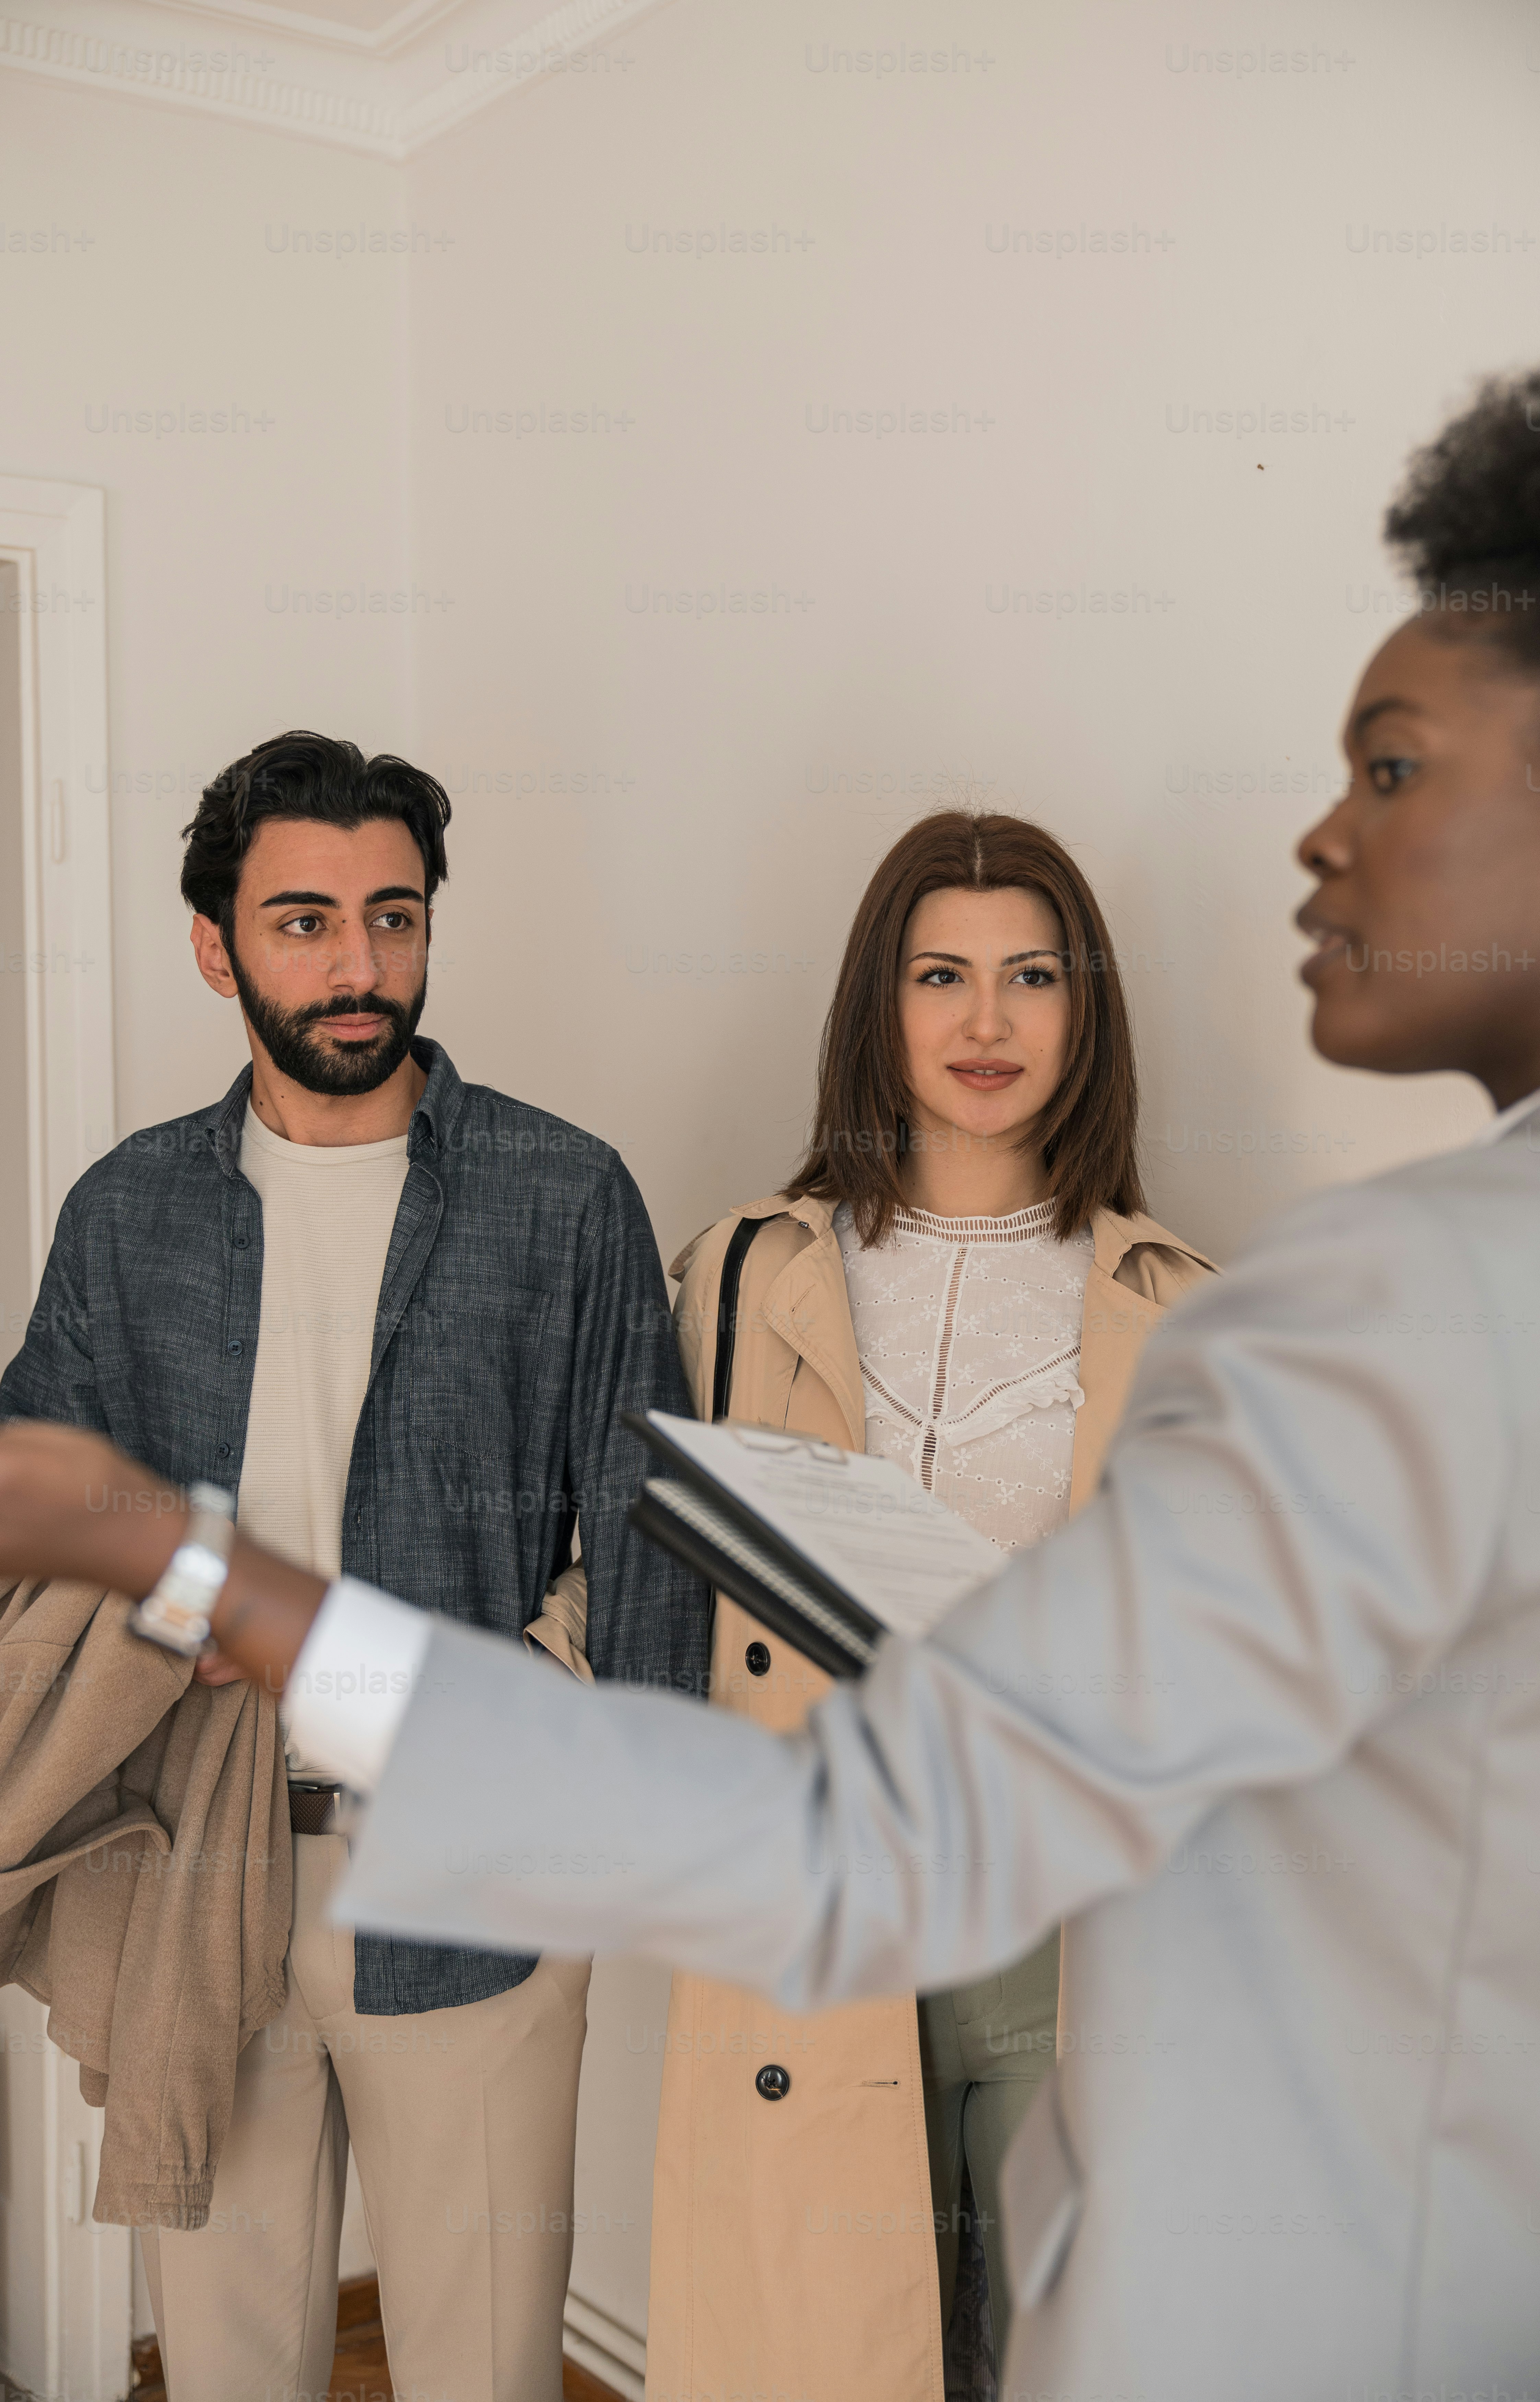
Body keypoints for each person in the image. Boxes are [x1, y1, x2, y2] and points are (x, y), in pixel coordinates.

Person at [5, 372, 1540, 2397]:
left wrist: (243, 1594)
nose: (1319, 831)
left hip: (1145, 2066)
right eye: (938, 970)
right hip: (406, 1889)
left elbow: (860, 1800)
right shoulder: (723, 1265)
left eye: (1396, 766)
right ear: (221, 950)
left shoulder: (1320, 1304)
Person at [0, 732, 707, 2402]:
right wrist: (200, 1605)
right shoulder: (127, 1215)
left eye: (393, 917)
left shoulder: (563, 1196)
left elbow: (654, 1532)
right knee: (231, 2358)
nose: (358, 965)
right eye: (304, 920)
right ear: (215, 945)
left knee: (480, 2363)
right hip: (200, 1861)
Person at [650, 810, 1212, 2401]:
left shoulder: (1179, 1309)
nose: (985, 1023)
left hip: (1069, 1937)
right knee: (829, 2353)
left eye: (1031, 976)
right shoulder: (744, 1274)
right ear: (873, 1007)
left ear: (1083, 1010)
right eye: (940, 975)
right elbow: (633, 1577)